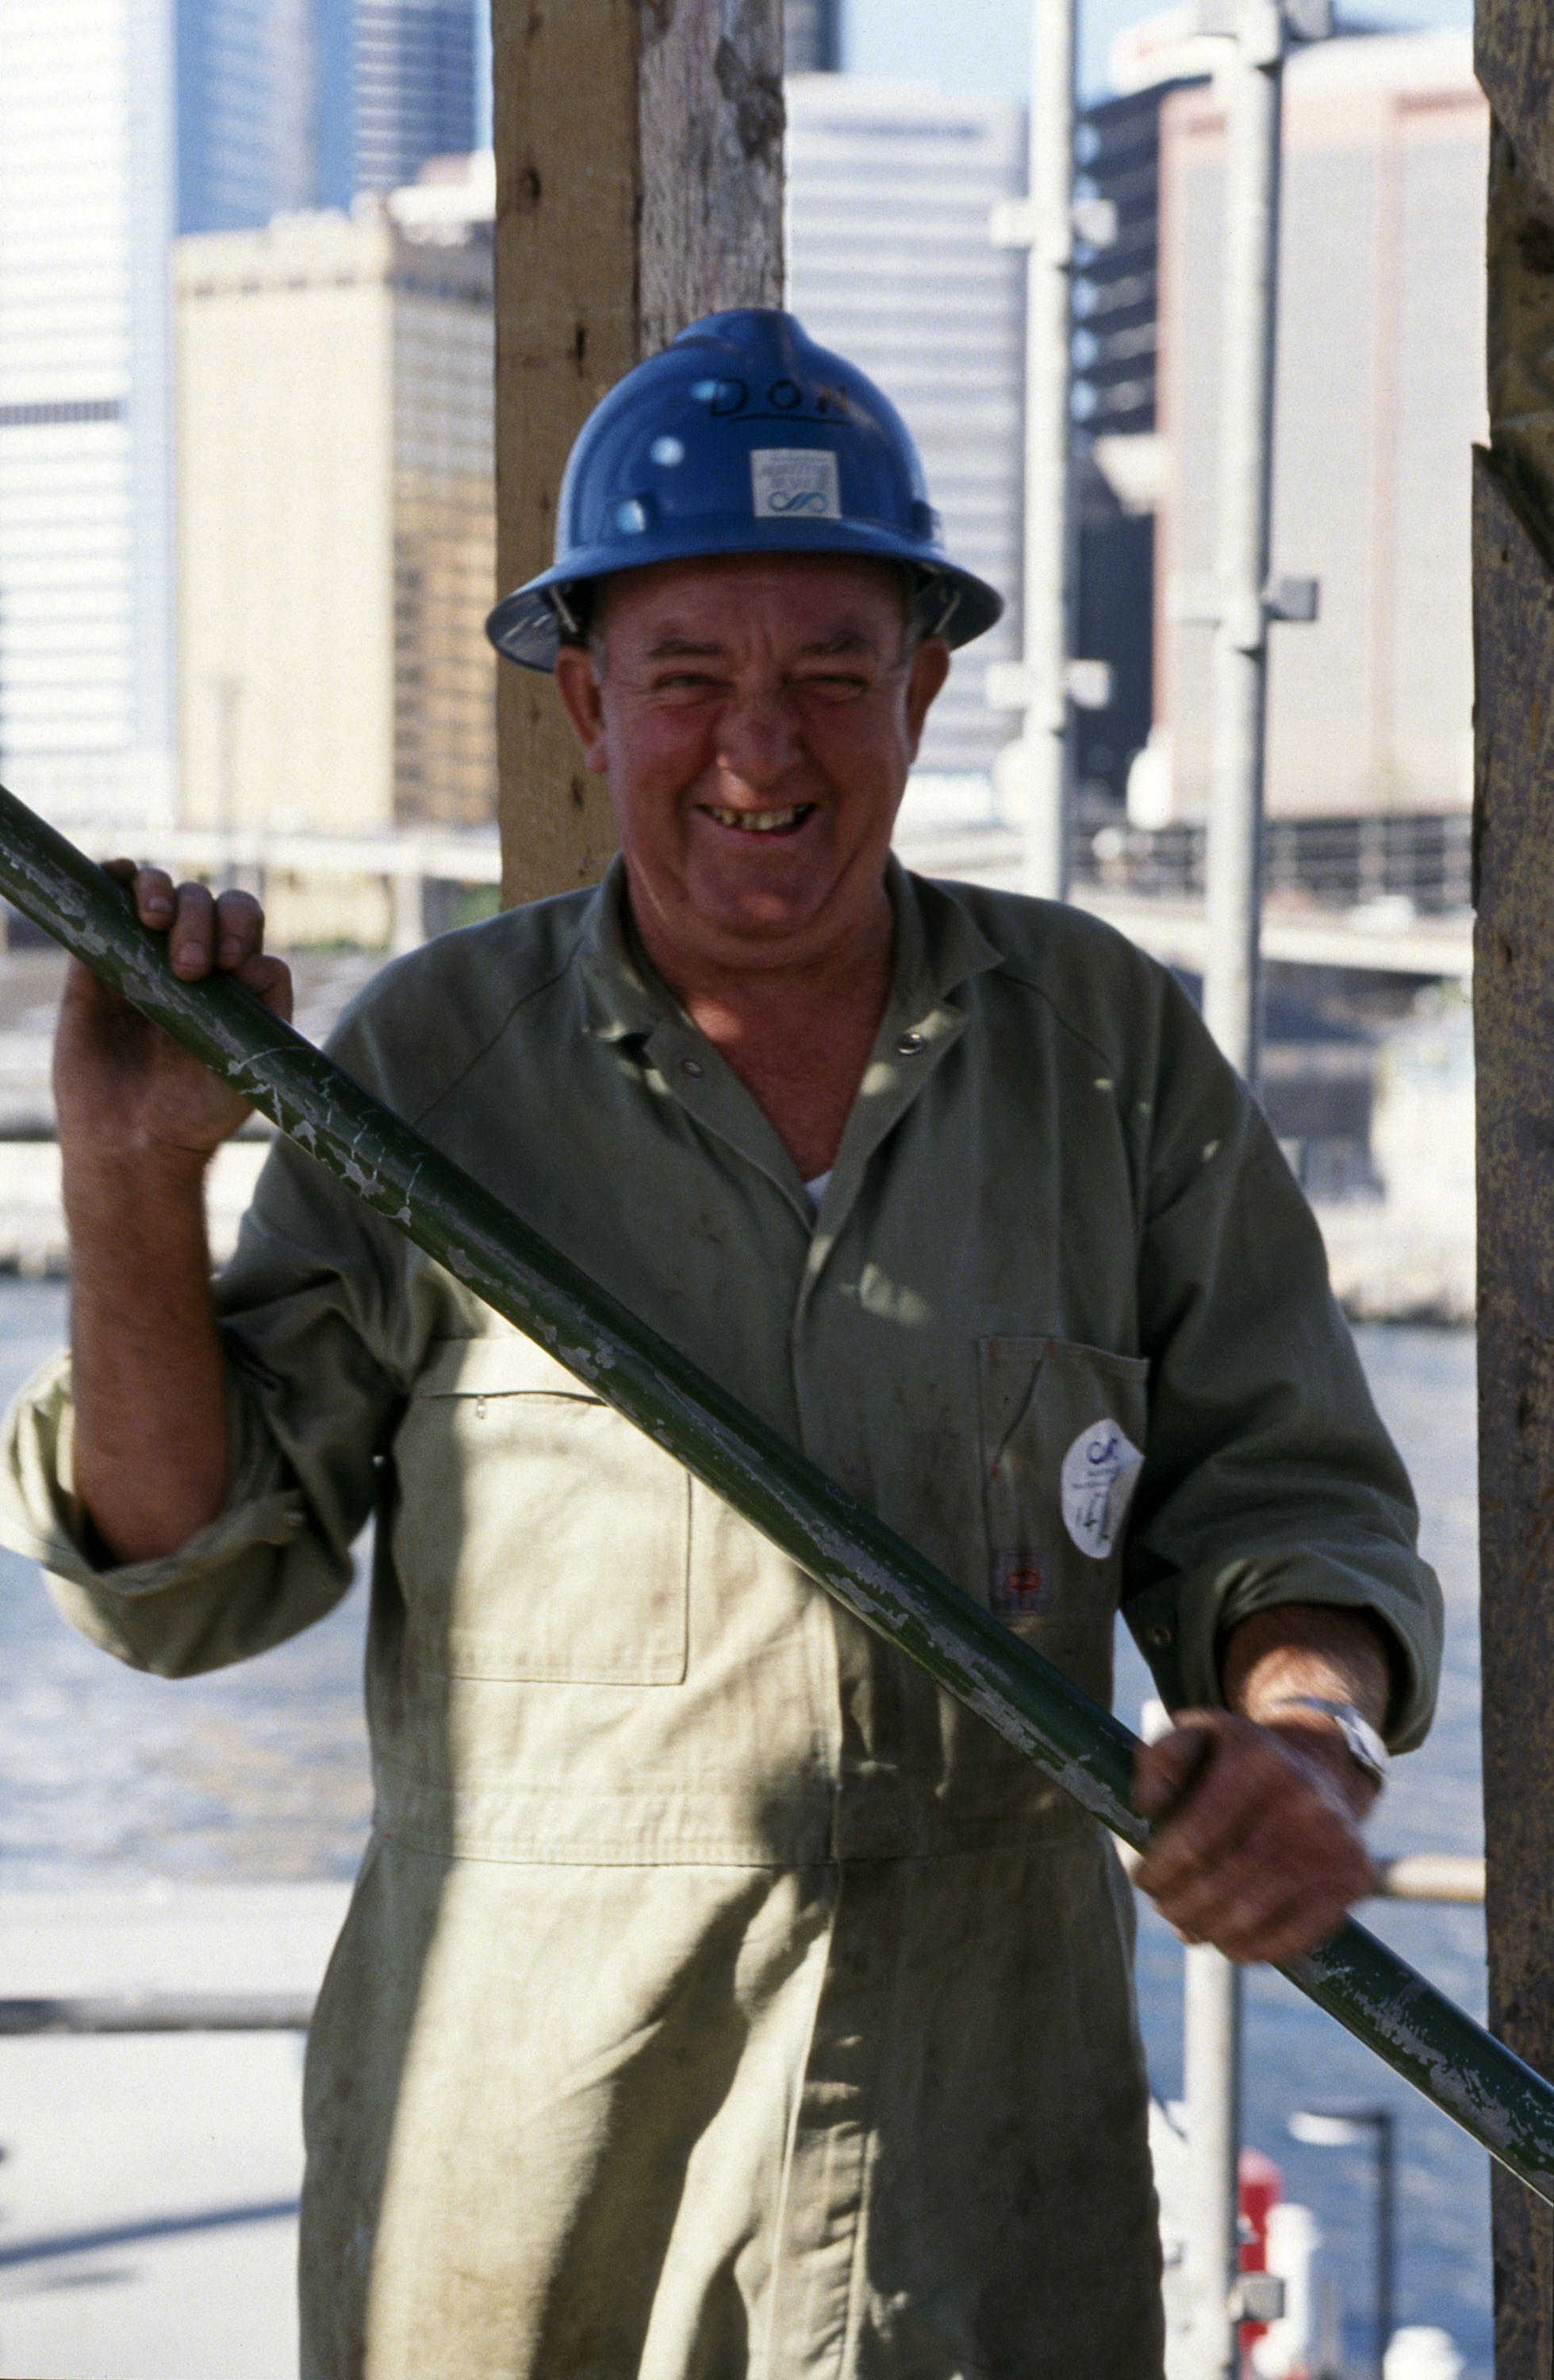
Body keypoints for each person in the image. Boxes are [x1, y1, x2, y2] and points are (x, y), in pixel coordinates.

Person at [2, 310, 1441, 2378]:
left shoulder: (1108, 1055)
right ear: (587, 699)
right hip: (515, 2250)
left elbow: (1290, 1506)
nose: (758, 752)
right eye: (686, 679)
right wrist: (130, 1190)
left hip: (990, 2230)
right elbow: (190, 1584)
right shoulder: (422, 1068)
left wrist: (1307, 1737)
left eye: (829, 679)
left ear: (924, 690)